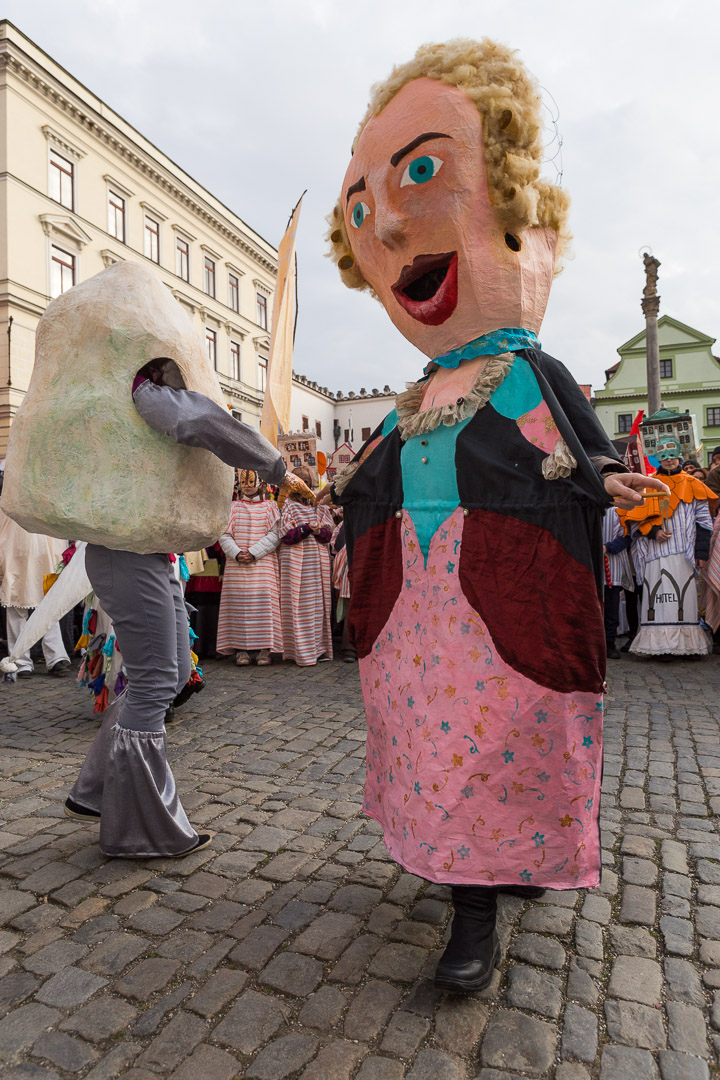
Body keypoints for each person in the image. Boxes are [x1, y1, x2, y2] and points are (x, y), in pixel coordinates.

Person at [324, 38, 669, 993]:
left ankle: (488, 890)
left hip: (500, 603)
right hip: (419, 614)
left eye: (423, 172)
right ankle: (476, 881)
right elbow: (374, 474)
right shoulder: (416, 394)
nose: (384, 227)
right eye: (362, 210)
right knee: (438, 745)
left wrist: (611, 478)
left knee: (509, 735)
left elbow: (575, 441)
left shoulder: (523, 372)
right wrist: (338, 488)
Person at [65, 363, 313, 857]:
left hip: (147, 550)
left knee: (174, 674)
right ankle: (138, 827)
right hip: (127, 551)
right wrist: (278, 469)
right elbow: (201, 421)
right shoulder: (140, 391)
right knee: (155, 681)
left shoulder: (128, 391)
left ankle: (95, 789)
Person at [623, 435, 716, 658]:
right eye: (664, 457)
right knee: (659, 597)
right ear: (658, 459)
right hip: (656, 553)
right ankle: (659, 646)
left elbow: (704, 521)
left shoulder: (694, 484)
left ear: (679, 457)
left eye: (672, 457)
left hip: (684, 552)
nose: (669, 461)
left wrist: (701, 553)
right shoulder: (648, 485)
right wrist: (654, 532)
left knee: (684, 598)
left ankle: (686, 646)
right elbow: (635, 519)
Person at [0, 479, 71, 679]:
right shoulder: (6, 502)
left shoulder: (42, 499)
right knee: (16, 608)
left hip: (42, 557)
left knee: (47, 607)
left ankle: (55, 657)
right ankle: (20, 660)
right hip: (15, 557)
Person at [217, 469, 283, 666]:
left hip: (262, 565)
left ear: (260, 482)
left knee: (264, 606)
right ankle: (241, 650)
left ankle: (264, 650)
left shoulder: (271, 507)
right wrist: (237, 553)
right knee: (238, 606)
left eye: (251, 480)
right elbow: (224, 534)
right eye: (244, 480)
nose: (247, 484)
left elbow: (275, 534)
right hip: (237, 566)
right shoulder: (232, 507)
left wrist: (254, 552)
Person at [279, 466, 334, 666]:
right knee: (297, 606)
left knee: (317, 607)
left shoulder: (319, 508)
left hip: (316, 564)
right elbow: (286, 536)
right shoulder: (288, 507)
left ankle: (317, 649)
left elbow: (328, 536)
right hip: (295, 563)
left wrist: (318, 531)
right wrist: (305, 528)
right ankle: (300, 652)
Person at [603, 507, 635, 659]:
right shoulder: (587, 507)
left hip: (612, 565)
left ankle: (609, 643)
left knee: (611, 608)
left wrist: (608, 547)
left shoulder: (620, 510)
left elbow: (627, 537)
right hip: (590, 565)